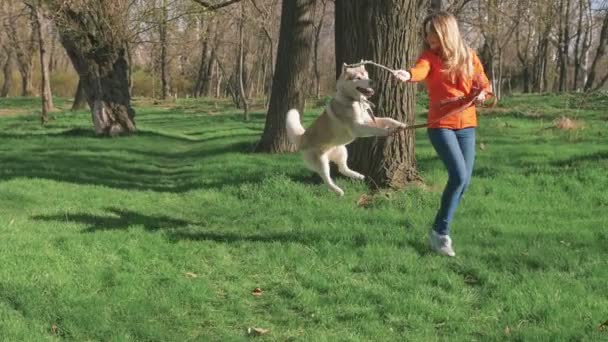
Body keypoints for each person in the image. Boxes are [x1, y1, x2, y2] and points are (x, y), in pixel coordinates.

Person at [393, 11, 491, 257]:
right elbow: (420, 70)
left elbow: (485, 85)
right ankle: (441, 234)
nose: (428, 38)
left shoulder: (469, 57)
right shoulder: (429, 57)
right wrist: (408, 75)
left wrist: (482, 94)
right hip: (441, 125)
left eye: (432, 34)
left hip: (467, 125)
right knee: (458, 176)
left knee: (464, 183)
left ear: (445, 33)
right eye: (427, 34)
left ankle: (437, 231)